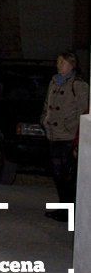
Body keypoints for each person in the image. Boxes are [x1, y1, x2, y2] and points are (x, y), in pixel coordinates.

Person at [41, 51, 89, 222]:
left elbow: (84, 110)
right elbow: (48, 104)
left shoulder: (78, 84)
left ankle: (70, 211)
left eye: (62, 62)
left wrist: (72, 127)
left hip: (68, 135)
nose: (58, 65)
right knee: (58, 174)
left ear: (71, 65)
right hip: (54, 134)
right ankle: (64, 208)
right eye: (58, 62)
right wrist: (45, 120)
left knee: (67, 175)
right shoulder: (55, 81)